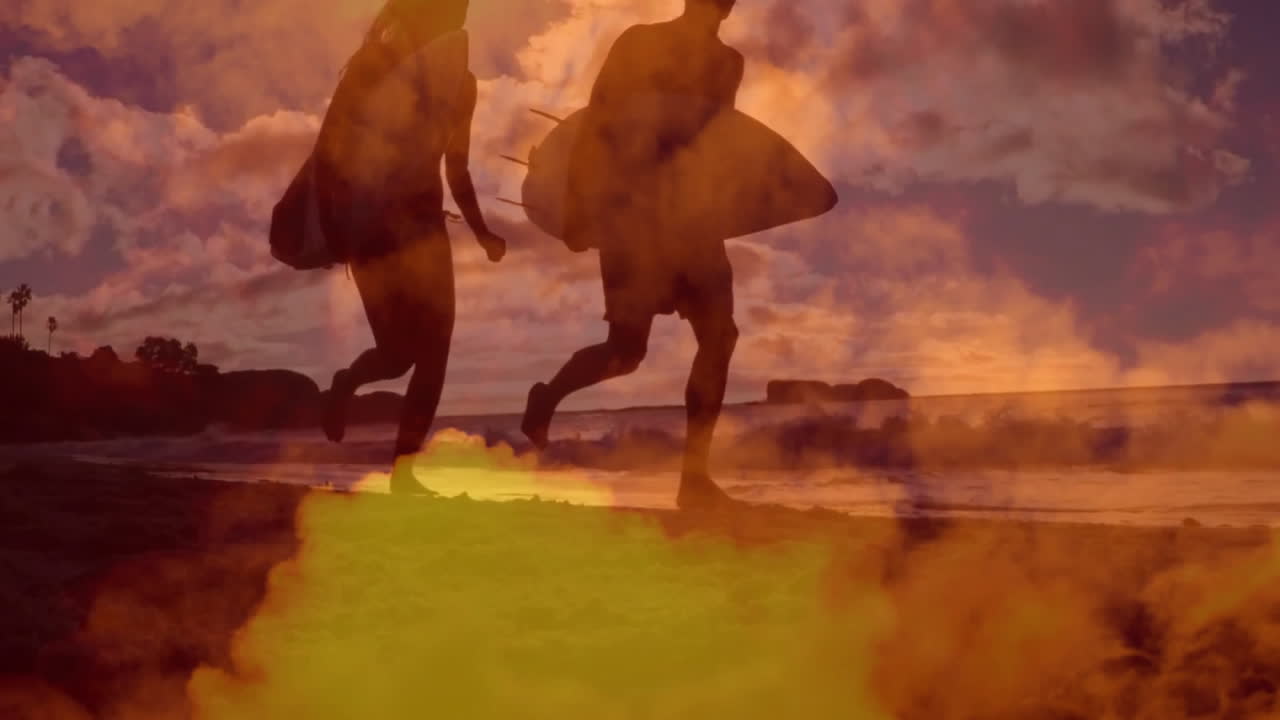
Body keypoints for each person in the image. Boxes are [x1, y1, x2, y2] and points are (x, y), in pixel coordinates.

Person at [521, 0, 744, 510]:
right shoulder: (639, 41)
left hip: (693, 216)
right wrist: (578, 207)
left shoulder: (731, 63)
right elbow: (599, 122)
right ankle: (547, 397)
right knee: (626, 352)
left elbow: (720, 143)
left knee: (720, 336)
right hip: (630, 213)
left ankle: (694, 478)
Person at [321, 0, 506, 495]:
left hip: (425, 225)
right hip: (371, 221)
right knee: (398, 353)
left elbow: (457, 166)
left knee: (432, 351)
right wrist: (337, 222)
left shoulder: (462, 86)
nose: (460, 17)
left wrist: (482, 230)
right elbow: (332, 147)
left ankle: (404, 470)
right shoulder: (373, 64)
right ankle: (344, 384)